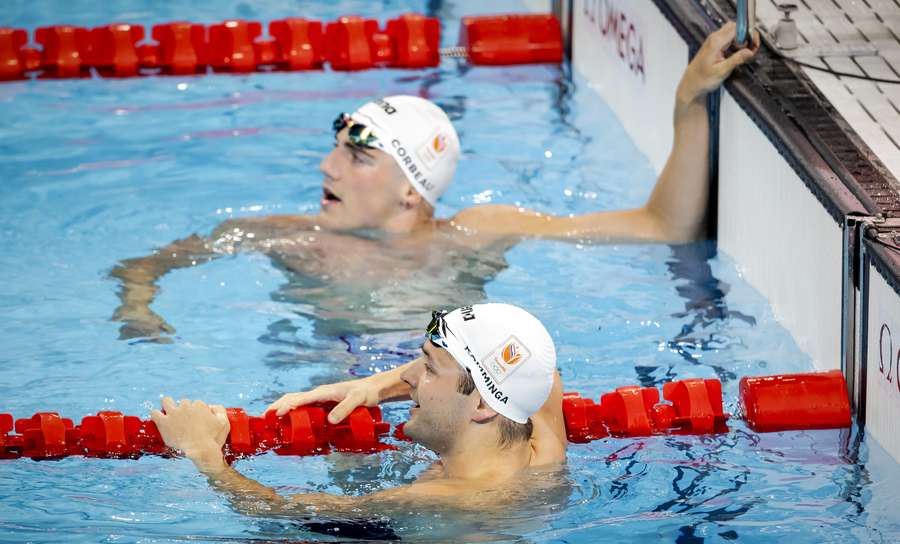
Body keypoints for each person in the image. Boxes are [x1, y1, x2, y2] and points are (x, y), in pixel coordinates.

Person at [110, 23, 759, 341]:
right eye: (334, 149)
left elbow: (662, 227)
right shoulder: (286, 239)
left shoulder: (480, 233)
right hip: (331, 414)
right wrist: (138, 308)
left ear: (411, 193)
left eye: (356, 158)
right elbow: (145, 265)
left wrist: (686, 103)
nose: (325, 167)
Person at [151, 303, 568, 512]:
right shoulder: (544, 447)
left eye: (427, 367)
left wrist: (207, 457)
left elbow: (281, 513)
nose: (405, 379)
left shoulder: (446, 499)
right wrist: (372, 387)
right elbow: (544, 375)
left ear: (480, 403)